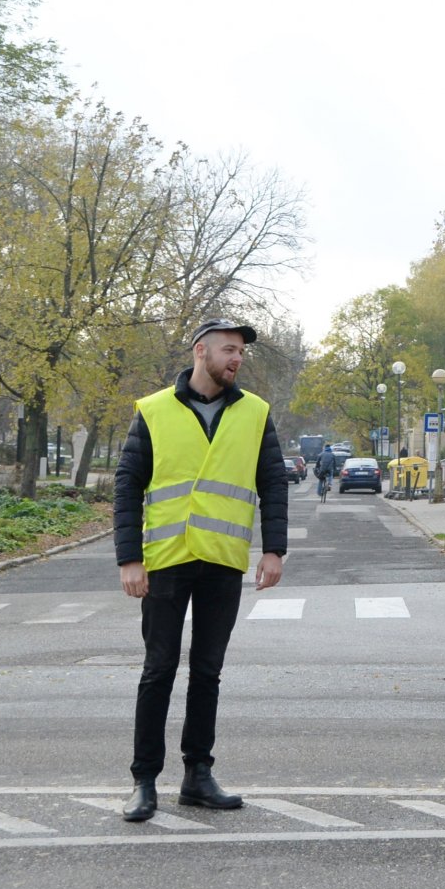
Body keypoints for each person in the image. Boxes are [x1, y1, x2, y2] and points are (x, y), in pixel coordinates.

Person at [114, 319, 289, 822]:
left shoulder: (255, 412)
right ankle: (144, 781)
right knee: (158, 670)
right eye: (229, 350)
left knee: (207, 672)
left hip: (222, 560)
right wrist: (130, 558)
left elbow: (272, 482)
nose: (236, 359)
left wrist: (273, 549)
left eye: (240, 353)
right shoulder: (153, 410)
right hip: (166, 561)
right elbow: (127, 487)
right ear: (201, 352)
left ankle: (197, 776)